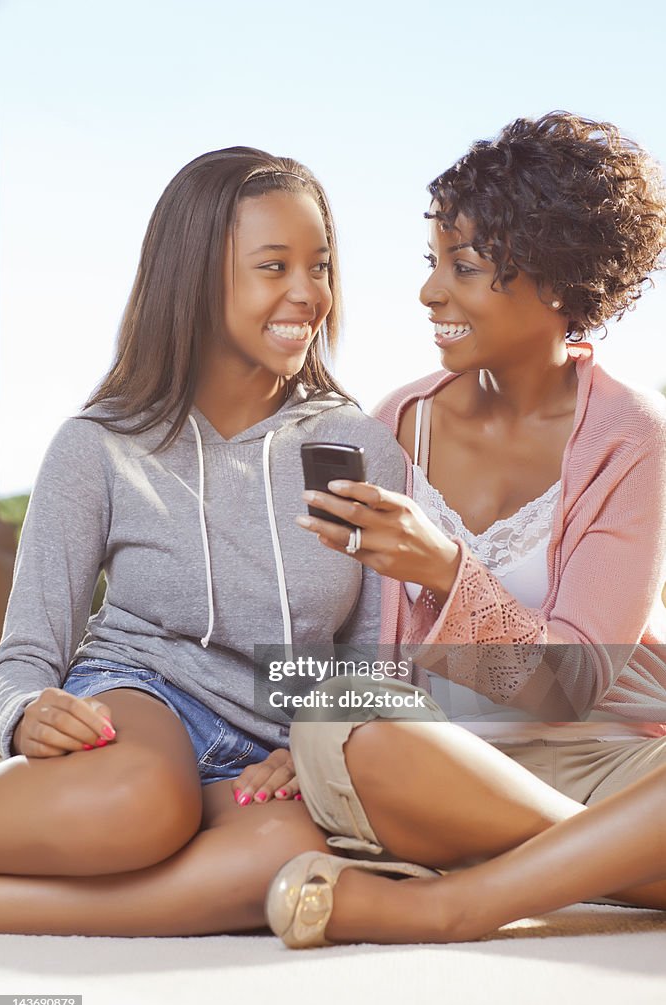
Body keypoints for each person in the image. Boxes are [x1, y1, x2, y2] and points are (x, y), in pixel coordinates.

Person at [266, 112, 666, 947]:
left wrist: (449, 570)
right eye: (433, 263)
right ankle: (607, 865)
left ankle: (454, 903)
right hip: (438, 762)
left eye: (466, 267)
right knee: (340, 714)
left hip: (610, 761)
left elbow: (575, 688)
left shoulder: (633, 439)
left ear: (555, 282)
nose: (429, 292)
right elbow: (350, 653)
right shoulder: (397, 425)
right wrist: (291, 737)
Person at [0, 147, 406, 935]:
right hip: (142, 698)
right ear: (194, 275)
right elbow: (25, 651)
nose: (307, 293)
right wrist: (21, 714)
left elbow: (372, 663)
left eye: (318, 265)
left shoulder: (360, 448)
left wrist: (324, 745)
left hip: (272, 744)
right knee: (141, 802)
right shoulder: (99, 443)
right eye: (272, 266)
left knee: (285, 854)